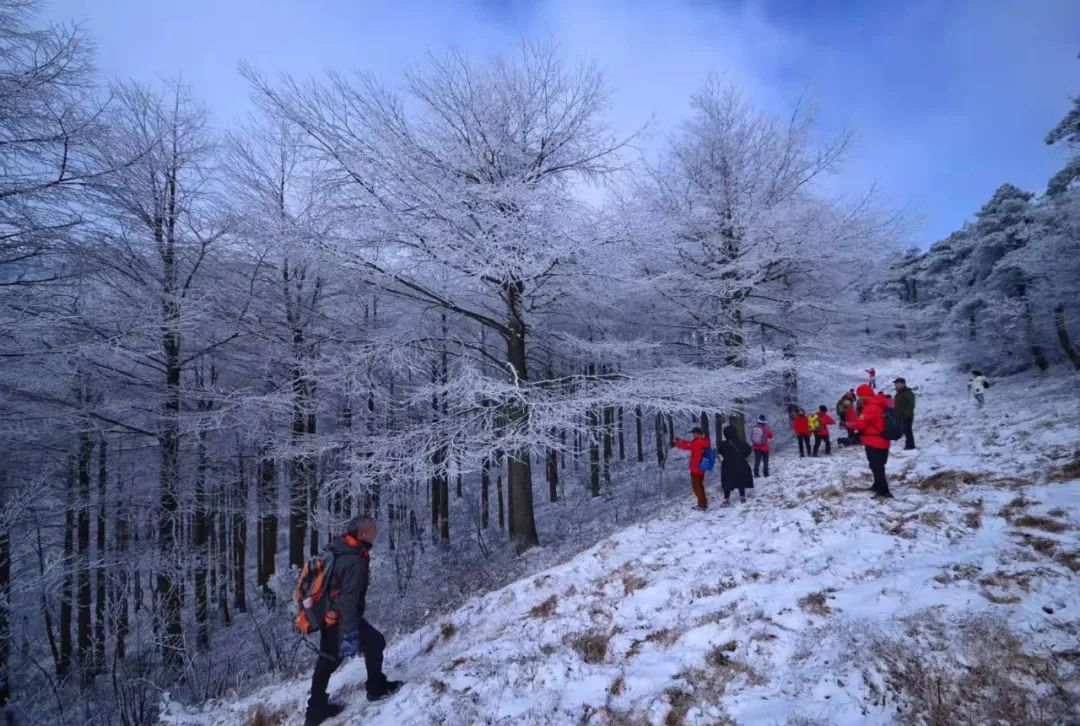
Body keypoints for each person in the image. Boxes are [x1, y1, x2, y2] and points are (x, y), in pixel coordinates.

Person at [306, 517, 402, 726]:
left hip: (327, 613)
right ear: (361, 534)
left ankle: (315, 711)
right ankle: (376, 689)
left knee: (328, 659)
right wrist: (350, 632)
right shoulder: (355, 560)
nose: (376, 531)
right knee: (375, 642)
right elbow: (348, 600)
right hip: (340, 617)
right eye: (372, 529)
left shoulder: (342, 548)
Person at [847, 384, 893, 499]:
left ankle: (884, 491)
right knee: (877, 465)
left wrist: (850, 424)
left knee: (877, 466)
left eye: (860, 395)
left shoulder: (870, 407)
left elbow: (861, 424)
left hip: (874, 440)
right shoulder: (879, 404)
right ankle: (877, 485)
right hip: (882, 439)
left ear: (864, 395)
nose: (859, 398)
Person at [673, 427, 711, 510]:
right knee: (699, 485)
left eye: (694, 433)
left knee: (697, 486)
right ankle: (703, 501)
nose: (693, 435)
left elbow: (688, 446)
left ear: (698, 433)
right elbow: (689, 443)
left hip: (696, 467)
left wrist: (677, 443)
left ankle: (702, 504)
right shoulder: (703, 441)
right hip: (701, 467)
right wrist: (680, 440)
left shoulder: (698, 442)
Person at [717, 425, 754, 506]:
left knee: (727, 481)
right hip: (740, 463)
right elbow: (749, 449)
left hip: (727, 465)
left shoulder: (723, 444)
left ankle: (726, 499)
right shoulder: (740, 442)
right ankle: (742, 496)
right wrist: (742, 455)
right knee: (740, 479)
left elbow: (720, 452)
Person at [894, 378, 916, 449]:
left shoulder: (908, 393)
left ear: (903, 384)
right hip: (900, 416)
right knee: (906, 431)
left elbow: (911, 405)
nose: (896, 385)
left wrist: (905, 415)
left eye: (897, 384)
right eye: (896, 384)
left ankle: (910, 446)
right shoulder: (898, 394)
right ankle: (909, 445)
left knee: (908, 431)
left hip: (907, 416)